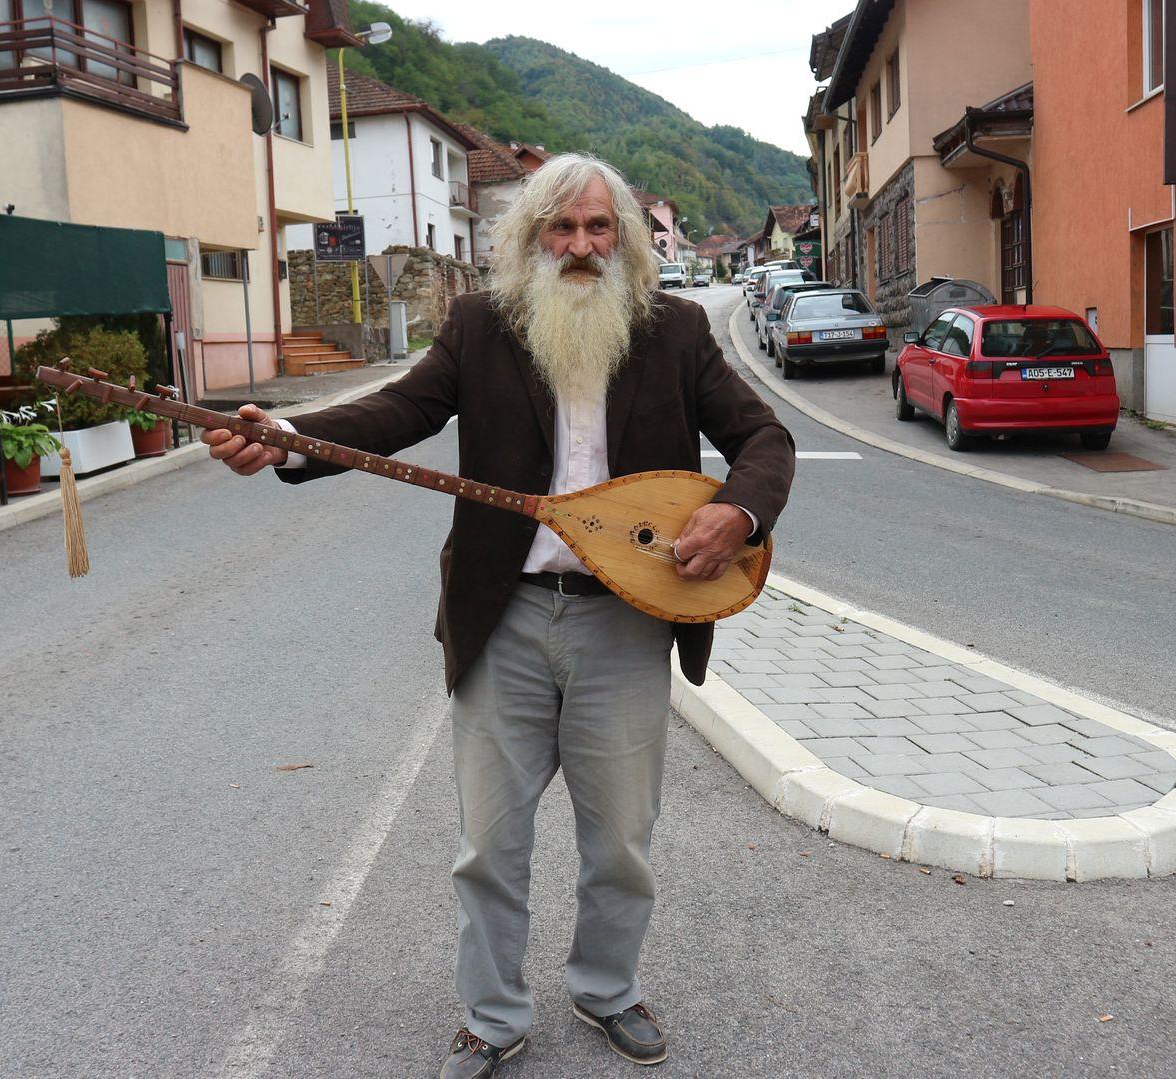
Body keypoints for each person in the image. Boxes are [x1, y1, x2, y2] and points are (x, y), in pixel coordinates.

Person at [206, 154, 795, 1078]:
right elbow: (398, 411)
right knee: (489, 841)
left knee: (621, 841)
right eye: (560, 229)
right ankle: (491, 1014)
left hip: (626, 622)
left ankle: (606, 988)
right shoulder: (483, 326)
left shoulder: (675, 332)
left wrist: (740, 510)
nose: (580, 246)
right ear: (529, 239)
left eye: (599, 228)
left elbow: (765, 436)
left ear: (626, 239)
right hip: (505, 617)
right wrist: (286, 444)